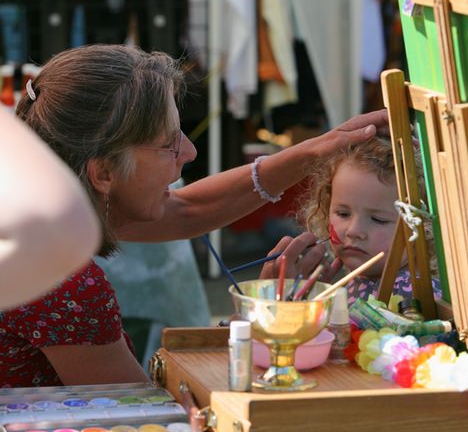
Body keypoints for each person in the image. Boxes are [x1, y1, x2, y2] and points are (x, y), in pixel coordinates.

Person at [0, 43, 388, 388]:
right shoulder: (62, 280)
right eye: (169, 143)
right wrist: (259, 321)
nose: (189, 153)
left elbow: (186, 211)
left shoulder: (30, 212)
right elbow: (145, 418)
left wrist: (315, 151)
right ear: (104, 173)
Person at [298, 136, 440, 308]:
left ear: (421, 226)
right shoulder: (357, 281)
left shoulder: (417, 296)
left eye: (378, 219)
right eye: (343, 213)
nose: (354, 230)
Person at [0, 109, 100, 311]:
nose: (184, 152)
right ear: (103, 171)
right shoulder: (75, 284)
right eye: (166, 144)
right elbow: (58, 227)